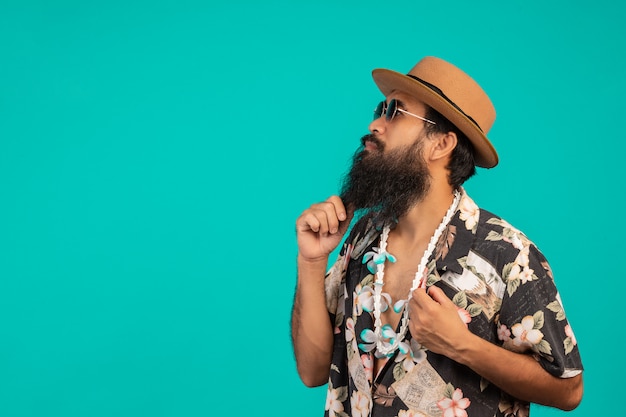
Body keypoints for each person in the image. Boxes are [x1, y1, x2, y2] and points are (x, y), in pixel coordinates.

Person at [291, 56, 583, 417]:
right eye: (381, 108)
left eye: (395, 111)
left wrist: (463, 346)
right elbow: (312, 371)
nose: (374, 124)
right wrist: (312, 260)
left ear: (441, 144)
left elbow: (568, 389)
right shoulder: (364, 238)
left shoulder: (507, 254)